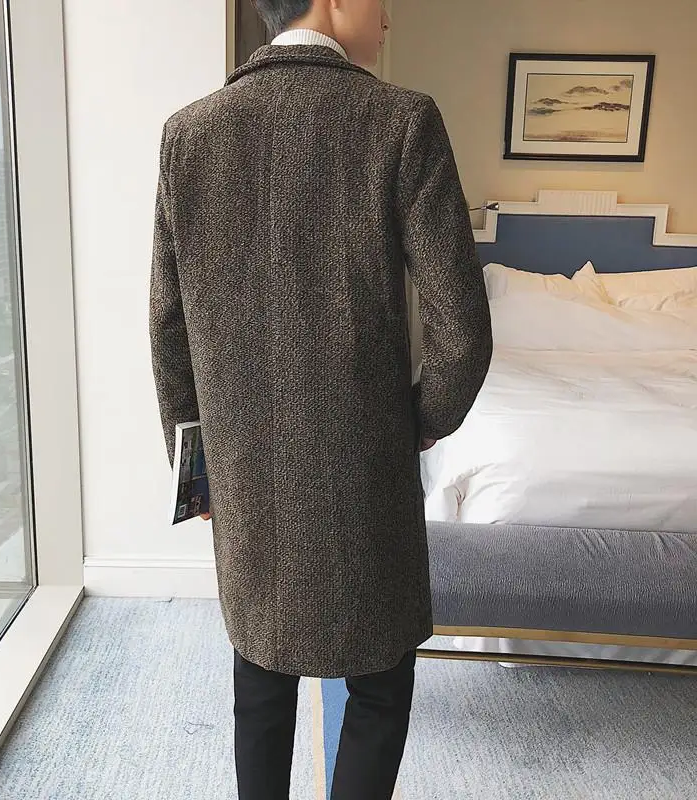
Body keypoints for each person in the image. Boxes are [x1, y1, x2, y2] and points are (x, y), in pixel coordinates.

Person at [149, 0, 493, 797]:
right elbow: (462, 329)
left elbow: (168, 327)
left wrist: (197, 468)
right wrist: (421, 421)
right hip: (363, 466)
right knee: (379, 682)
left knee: (260, 671)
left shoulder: (189, 134)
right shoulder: (401, 121)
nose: (389, 16)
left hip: (245, 467)